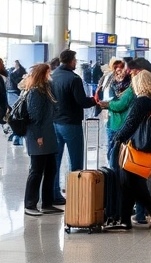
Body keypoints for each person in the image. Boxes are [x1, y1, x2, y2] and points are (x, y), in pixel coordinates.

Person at [112, 70, 151, 230]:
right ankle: (125, 220)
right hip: (148, 146)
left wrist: (118, 138)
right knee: (130, 182)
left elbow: (131, 123)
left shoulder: (141, 102)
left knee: (128, 182)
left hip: (136, 147)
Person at [49, 49, 102, 205]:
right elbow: (81, 102)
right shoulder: (74, 78)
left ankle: (54, 193)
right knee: (76, 161)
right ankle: (75, 192)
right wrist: (94, 100)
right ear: (71, 61)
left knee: (55, 161)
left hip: (54, 123)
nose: (76, 62)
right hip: (71, 124)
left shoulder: (52, 76)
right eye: (75, 60)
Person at [20, 64, 60, 217]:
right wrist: (38, 137)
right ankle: (30, 204)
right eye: (48, 72)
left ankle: (47, 203)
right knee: (36, 170)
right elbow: (34, 116)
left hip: (48, 134)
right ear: (42, 73)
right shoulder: (36, 92)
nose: (50, 74)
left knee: (51, 169)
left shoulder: (46, 89)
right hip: (38, 136)